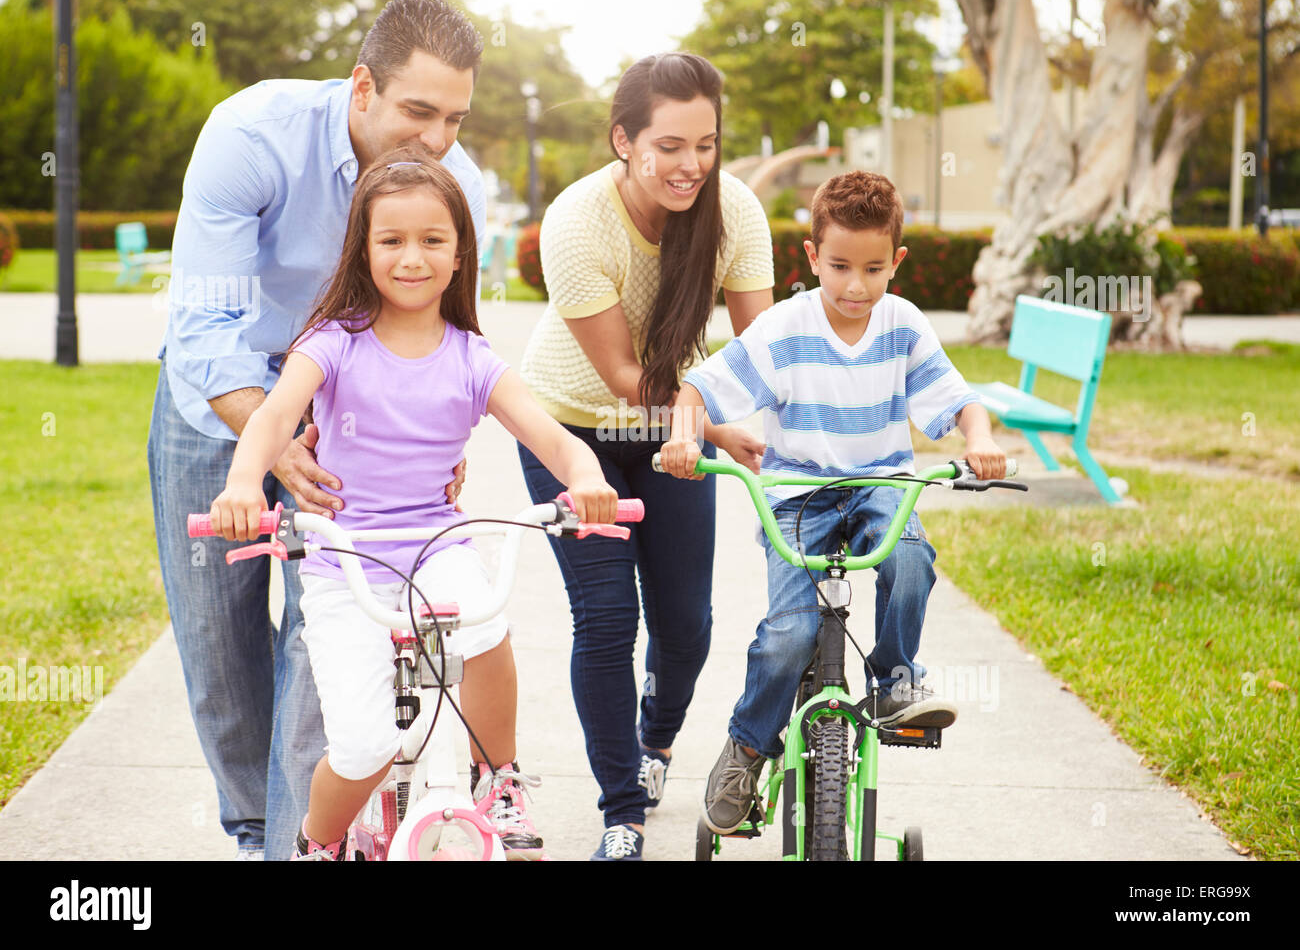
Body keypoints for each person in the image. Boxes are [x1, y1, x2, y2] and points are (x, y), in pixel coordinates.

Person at [208, 146, 620, 861]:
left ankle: (500, 777)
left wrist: (585, 478)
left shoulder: (470, 357)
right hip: (344, 560)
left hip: (436, 543)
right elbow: (276, 418)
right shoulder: (332, 343)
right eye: (391, 240)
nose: (412, 257)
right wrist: (245, 482)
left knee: (486, 625)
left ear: (461, 254)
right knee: (366, 744)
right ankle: (318, 840)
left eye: (433, 240)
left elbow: (552, 437)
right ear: (363, 251)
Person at [147, 0, 487, 860]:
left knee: (328, 635)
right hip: (214, 407)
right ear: (363, 87)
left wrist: (446, 447)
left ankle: (293, 846)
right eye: (418, 112)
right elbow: (204, 330)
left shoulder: (457, 186)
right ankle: (254, 823)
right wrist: (275, 433)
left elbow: (455, 340)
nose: (438, 140)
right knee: (217, 645)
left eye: (454, 117)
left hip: (354, 433)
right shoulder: (252, 136)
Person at [659, 170, 1008, 835]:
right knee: (788, 633)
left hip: (883, 484)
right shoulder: (784, 330)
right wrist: (683, 439)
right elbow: (699, 390)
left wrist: (981, 438)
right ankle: (748, 748)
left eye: (874, 269)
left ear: (896, 263)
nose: (855, 286)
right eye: (840, 266)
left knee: (911, 560)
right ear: (812, 257)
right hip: (798, 493)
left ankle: (895, 680)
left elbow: (960, 399)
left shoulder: (903, 327)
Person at [516, 52, 775, 861]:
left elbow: (758, 351)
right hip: (573, 432)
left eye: (706, 144)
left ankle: (655, 748)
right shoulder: (576, 221)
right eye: (669, 145)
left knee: (687, 626)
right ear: (623, 140)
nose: (690, 165)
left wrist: (721, 421)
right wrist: (709, 426)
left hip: (673, 432)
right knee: (605, 620)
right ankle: (620, 813)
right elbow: (625, 379)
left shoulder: (734, 212)